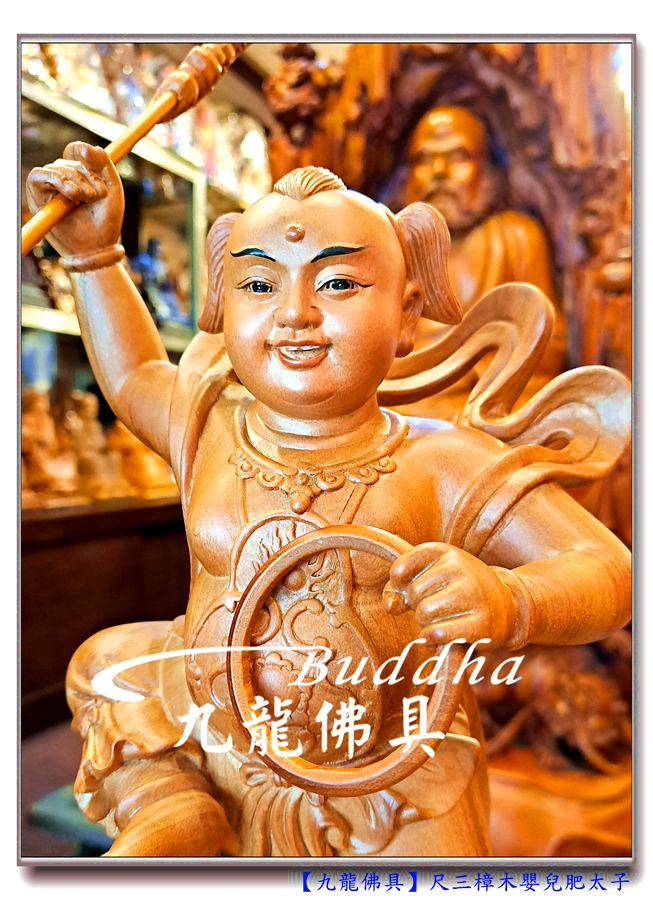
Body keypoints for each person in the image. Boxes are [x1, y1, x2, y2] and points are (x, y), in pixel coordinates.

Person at [26, 144, 630, 858]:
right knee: (105, 664)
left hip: (391, 775)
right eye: (259, 285)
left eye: (338, 282)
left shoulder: (441, 460)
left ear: (406, 312)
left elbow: (606, 569)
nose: (295, 314)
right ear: (223, 305)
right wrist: (94, 257)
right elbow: (133, 375)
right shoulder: (208, 422)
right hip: (220, 741)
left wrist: (507, 599)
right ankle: (171, 804)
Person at [385, 105, 566, 417]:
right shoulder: (390, 245)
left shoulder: (517, 237)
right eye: (424, 159)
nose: (439, 171)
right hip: (408, 395)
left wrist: (474, 364)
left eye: (458, 157)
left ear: (487, 170)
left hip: (485, 395)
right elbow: (369, 344)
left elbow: (551, 347)